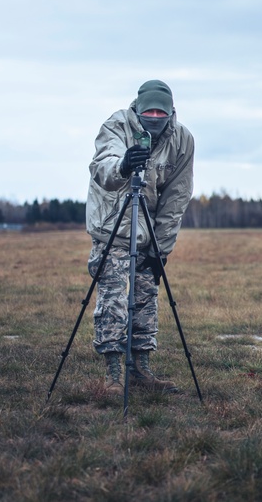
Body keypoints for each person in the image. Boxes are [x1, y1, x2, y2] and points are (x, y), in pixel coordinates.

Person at [85, 79, 195, 393]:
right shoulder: (118, 124)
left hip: (149, 233)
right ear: (139, 108)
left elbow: (177, 197)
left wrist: (161, 250)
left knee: (146, 298)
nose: (156, 117)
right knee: (115, 298)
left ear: (172, 111)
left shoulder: (182, 140)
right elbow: (102, 167)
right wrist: (123, 165)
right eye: (150, 111)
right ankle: (113, 374)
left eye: (163, 112)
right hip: (113, 227)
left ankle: (142, 370)